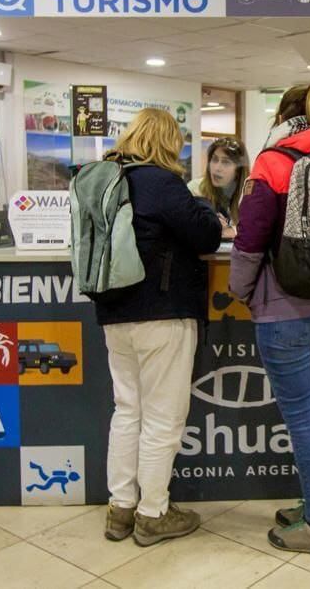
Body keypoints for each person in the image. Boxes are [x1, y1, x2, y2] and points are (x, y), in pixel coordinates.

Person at [229, 83, 310, 555]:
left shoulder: (274, 160)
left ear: (284, 115)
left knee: (302, 416)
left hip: (283, 308)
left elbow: (249, 237)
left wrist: (240, 291)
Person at [94, 108, 222, 546]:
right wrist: (206, 208)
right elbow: (205, 235)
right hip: (162, 312)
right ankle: (152, 514)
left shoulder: (105, 178)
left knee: (127, 410)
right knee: (163, 418)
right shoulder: (160, 181)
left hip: (114, 313)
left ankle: (120, 510)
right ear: (167, 142)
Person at [187, 137, 247, 241]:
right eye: (214, 160)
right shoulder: (195, 189)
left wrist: (233, 230)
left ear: (238, 170)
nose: (217, 168)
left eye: (226, 162)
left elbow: (257, 229)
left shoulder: (249, 193)